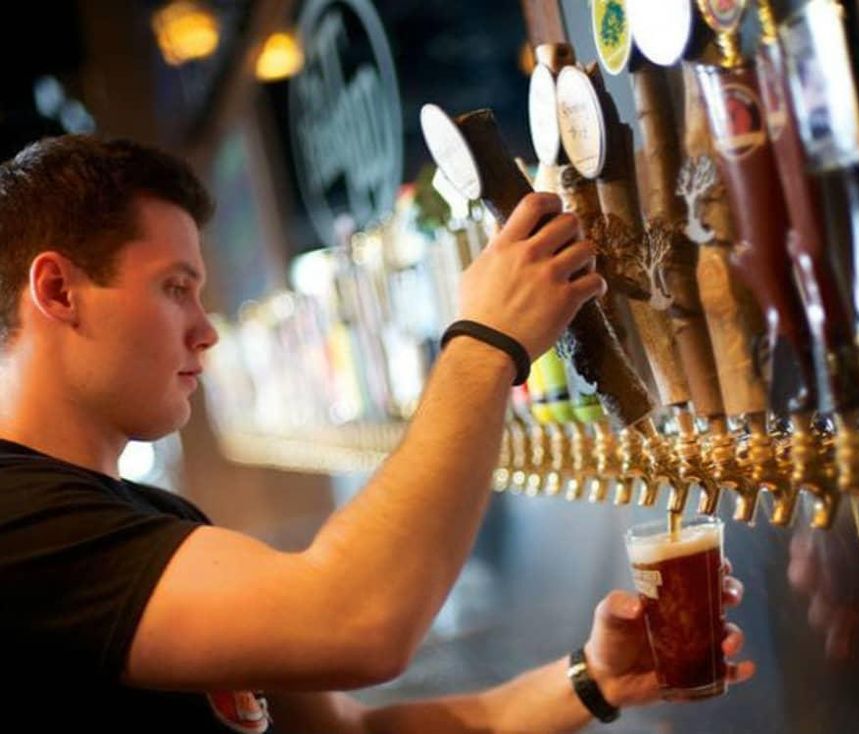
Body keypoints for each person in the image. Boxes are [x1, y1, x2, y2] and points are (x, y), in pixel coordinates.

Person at [0, 135, 753, 732]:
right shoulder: (19, 522)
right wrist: (487, 340)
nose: (204, 332)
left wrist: (592, 680)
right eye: (175, 289)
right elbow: (358, 621)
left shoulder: (151, 520)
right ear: (59, 291)